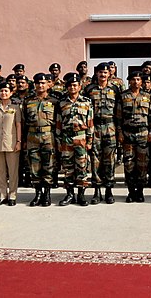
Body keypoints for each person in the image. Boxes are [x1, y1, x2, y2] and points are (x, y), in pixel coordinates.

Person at [84, 63, 121, 205]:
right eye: (100, 72)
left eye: (105, 73)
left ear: (109, 74)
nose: (103, 75)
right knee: (95, 160)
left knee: (109, 160)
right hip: (95, 128)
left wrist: (118, 132)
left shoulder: (115, 89)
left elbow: (118, 112)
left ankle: (109, 191)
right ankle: (97, 191)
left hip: (110, 127)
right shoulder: (89, 89)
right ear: (97, 73)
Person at [55, 73, 92, 206]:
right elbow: (58, 123)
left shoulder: (86, 102)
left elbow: (90, 123)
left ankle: (81, 194)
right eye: (70, 85)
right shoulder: (62, 103)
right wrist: (59, 141)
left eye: (75, 85)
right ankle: (70, 194)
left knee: (82, 167)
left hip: (81, 137)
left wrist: (89, 141)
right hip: (66, 138)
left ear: (79, 86)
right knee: (68, 167)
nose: (72, 87)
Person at [116, 72, 151, 203]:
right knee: (129, 164)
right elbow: (119, 117)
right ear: (129, 81)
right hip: (128, 135)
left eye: (138, 79)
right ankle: (131, 192)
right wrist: (120, 133)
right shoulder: (123, 96)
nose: (136, 82)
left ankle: (140, 191)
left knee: (142, 165)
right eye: (133, 79)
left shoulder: (148, 96)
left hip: (143, 135)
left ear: (142, 82)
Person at [23, 73, 59, 206]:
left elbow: (58, 122)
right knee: (34, 166)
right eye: (38, 83)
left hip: (48, 136)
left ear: (48, 85)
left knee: (48, 165)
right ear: (34, 84)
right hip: (32, 136)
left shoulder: (54, 101)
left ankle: (47, 194)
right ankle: (37, 193)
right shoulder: (28, 101)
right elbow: (24, 121)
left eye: (43, 83)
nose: (40, 85)